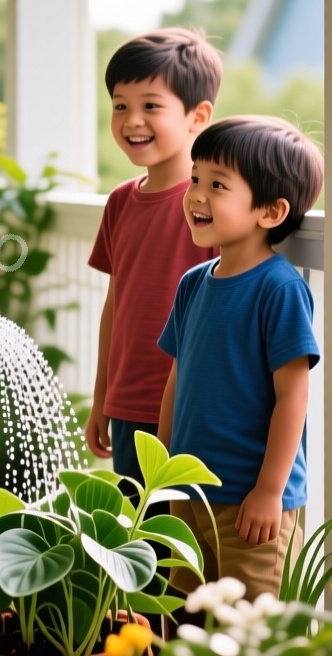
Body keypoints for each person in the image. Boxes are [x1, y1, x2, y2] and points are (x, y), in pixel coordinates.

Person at [156, 115, 325, 601]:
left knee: (252, 627)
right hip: (187, 494)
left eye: (217, 185)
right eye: (195, 179)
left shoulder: (279, 289)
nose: (196, 195)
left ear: (270, 212)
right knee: (182, 620)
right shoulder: (194, 283)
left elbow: (293, 397)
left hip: (249, 502)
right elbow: (178, 377)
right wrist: (163, 471)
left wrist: (270, 491)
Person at [84, 28, 221, 485]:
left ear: (197, 116)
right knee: (143, 547)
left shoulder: (213, 207)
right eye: (120, 106)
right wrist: (102, 395)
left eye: (151, 106)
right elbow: (115, 306)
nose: (132, 120)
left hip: (194, 408)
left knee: (189, 545)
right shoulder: (121, 202)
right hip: (128, 408)